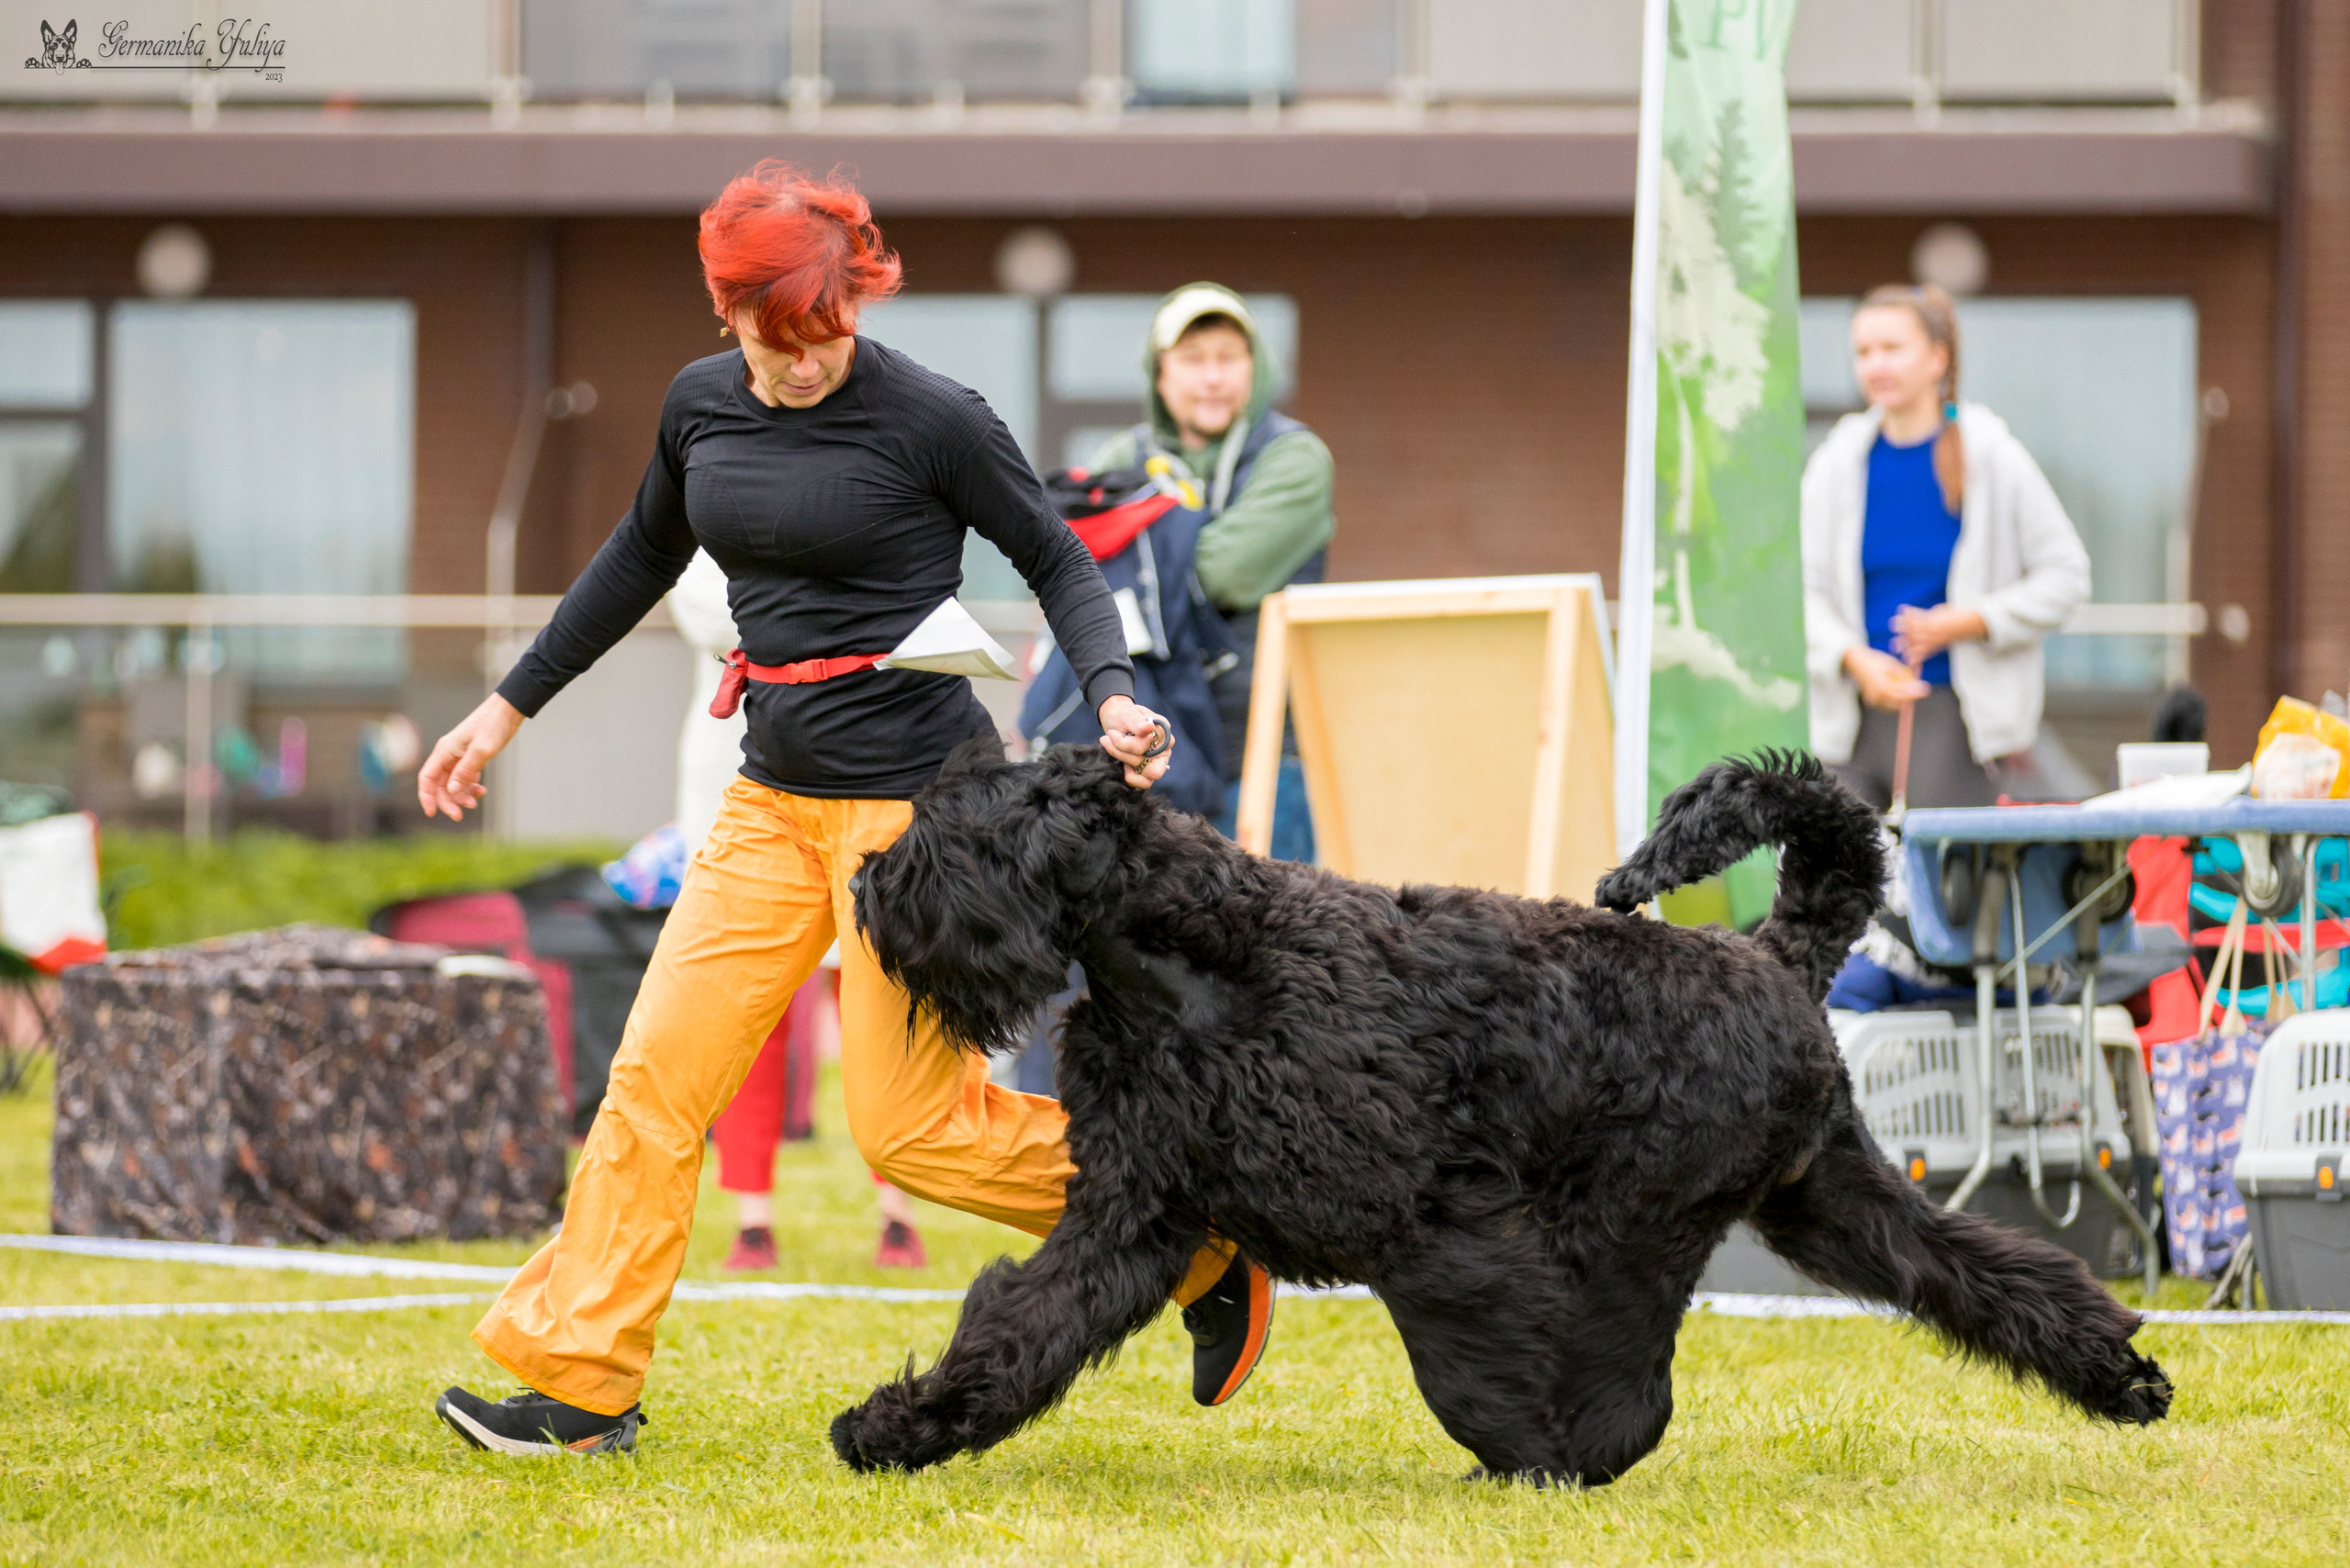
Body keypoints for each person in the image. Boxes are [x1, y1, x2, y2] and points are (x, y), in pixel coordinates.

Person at [423, 162, 1274, 1459]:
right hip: (769, 807)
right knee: (652, 1083)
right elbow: (638, 556)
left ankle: (1197, 1233)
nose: (815, 359)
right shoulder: (698, 408)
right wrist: (505, 708)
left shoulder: (933, 416)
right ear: (731, 315)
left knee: (914, 1129)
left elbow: (1055, 556)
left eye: (835, 332)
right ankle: (581, 1385)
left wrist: (1108, 693)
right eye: (785, 337)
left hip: (918, 825)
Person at [667, 550, 923, 1273]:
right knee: (752, 1009)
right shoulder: (712, 510)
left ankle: (897, 1212)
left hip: (865, 777)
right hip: (739, 784)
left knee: (882, 991)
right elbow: (709, 615)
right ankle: (752, 1218)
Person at [1802, 283, 2089, 812]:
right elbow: (1801, 592)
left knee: (1938, 889)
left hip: (1955, 728)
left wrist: (1970, 620)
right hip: (1847, 724)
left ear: (1938, 359)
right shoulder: (1837, 462)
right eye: (1863, 352)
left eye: (1892, 348)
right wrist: (1852, 659)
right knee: (1837, 890)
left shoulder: (1995, 457)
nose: (1875, 364)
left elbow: (2067, 575)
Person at [1086, 284, 1335, 862]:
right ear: (1160, 375)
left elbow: (1221, 574)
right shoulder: (1121, 458)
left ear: (1256, 368)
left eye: (1229, 357)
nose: (1213, 377)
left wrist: (1141, 545)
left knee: (1282, 941)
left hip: (1271, 755)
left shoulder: (1294, 458)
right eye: (1194, 360)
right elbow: (1075, 570)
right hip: (1149, 755)